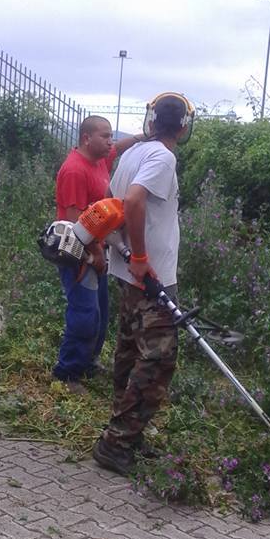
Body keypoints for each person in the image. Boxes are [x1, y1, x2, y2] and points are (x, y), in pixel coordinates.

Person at [92, 93, 193, 474]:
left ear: (151, 121)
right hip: (151, 279)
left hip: (130, 275)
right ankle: (116, 443)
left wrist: (118, 247)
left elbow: (107, 202)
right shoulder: (163, 157)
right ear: (183, 128)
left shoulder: (133, 154)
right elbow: (132, 201)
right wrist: (139, 257)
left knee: (130, 352)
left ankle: (126, 435)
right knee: (158, 359)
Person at [53, 115, 142, 390]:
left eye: (111, 135)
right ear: (86, 138)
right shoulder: (74, 171)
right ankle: (67, 373)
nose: (110, 142)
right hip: (77, 251)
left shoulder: (99, 159)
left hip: (96, 249)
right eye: (105, 136)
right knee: (84, 313)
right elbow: (74, 223)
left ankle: (88, 361)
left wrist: (143, 138)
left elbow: (120, 148)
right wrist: (96, 255)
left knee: (100, 313)